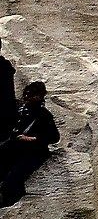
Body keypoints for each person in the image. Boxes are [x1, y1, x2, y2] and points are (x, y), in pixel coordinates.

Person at [0, 82, 59, 210]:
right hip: (17, 150)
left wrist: (31, 139)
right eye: (26, 94)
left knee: (12, 180)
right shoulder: (22, 111)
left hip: (35, 153)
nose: (27, 97)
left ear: (40, 96)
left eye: (31, 95)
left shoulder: (44, 114)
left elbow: (54, 137)